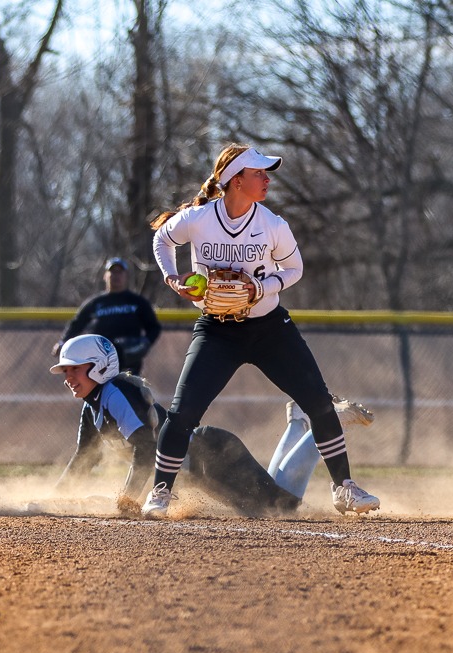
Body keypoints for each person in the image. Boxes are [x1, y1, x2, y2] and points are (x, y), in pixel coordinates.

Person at [144, 144, 381, 518]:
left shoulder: (272, 224)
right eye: (259, 173)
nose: (267, 179)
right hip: (217, 330)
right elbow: (162, 239)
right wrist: (171, 277)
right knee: (183, 411)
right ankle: (160, 491)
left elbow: (294, 269)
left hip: (269, 328)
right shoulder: (199, 218)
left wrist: (261, 287)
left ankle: (344, 488)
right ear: (235, 180)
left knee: (318, 402)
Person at [48, 335, 374, 516]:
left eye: (75, 369)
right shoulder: (93, 406)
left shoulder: (116, 392)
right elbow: (83, 458)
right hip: (202, 470)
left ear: (101, 366)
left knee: (281, 508)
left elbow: (147, 450)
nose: (69, 378)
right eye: (66, 372)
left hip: (210, 456)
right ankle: (298, 425)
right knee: (272, 497)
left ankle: (334, 420)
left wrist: (130, 499)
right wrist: (56, 497)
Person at [52, 257, 162, 374]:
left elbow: (154, 327)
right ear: (105, 276)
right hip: (100, 360)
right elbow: (77, 324)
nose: (116, 275)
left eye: (120, 272)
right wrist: (63, 342)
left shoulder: (137, 302)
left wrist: (145, 343)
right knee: (101, 391)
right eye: (112, 272)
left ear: (126, 276)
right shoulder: (96, 302)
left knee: (128, 390)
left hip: (129, 360)